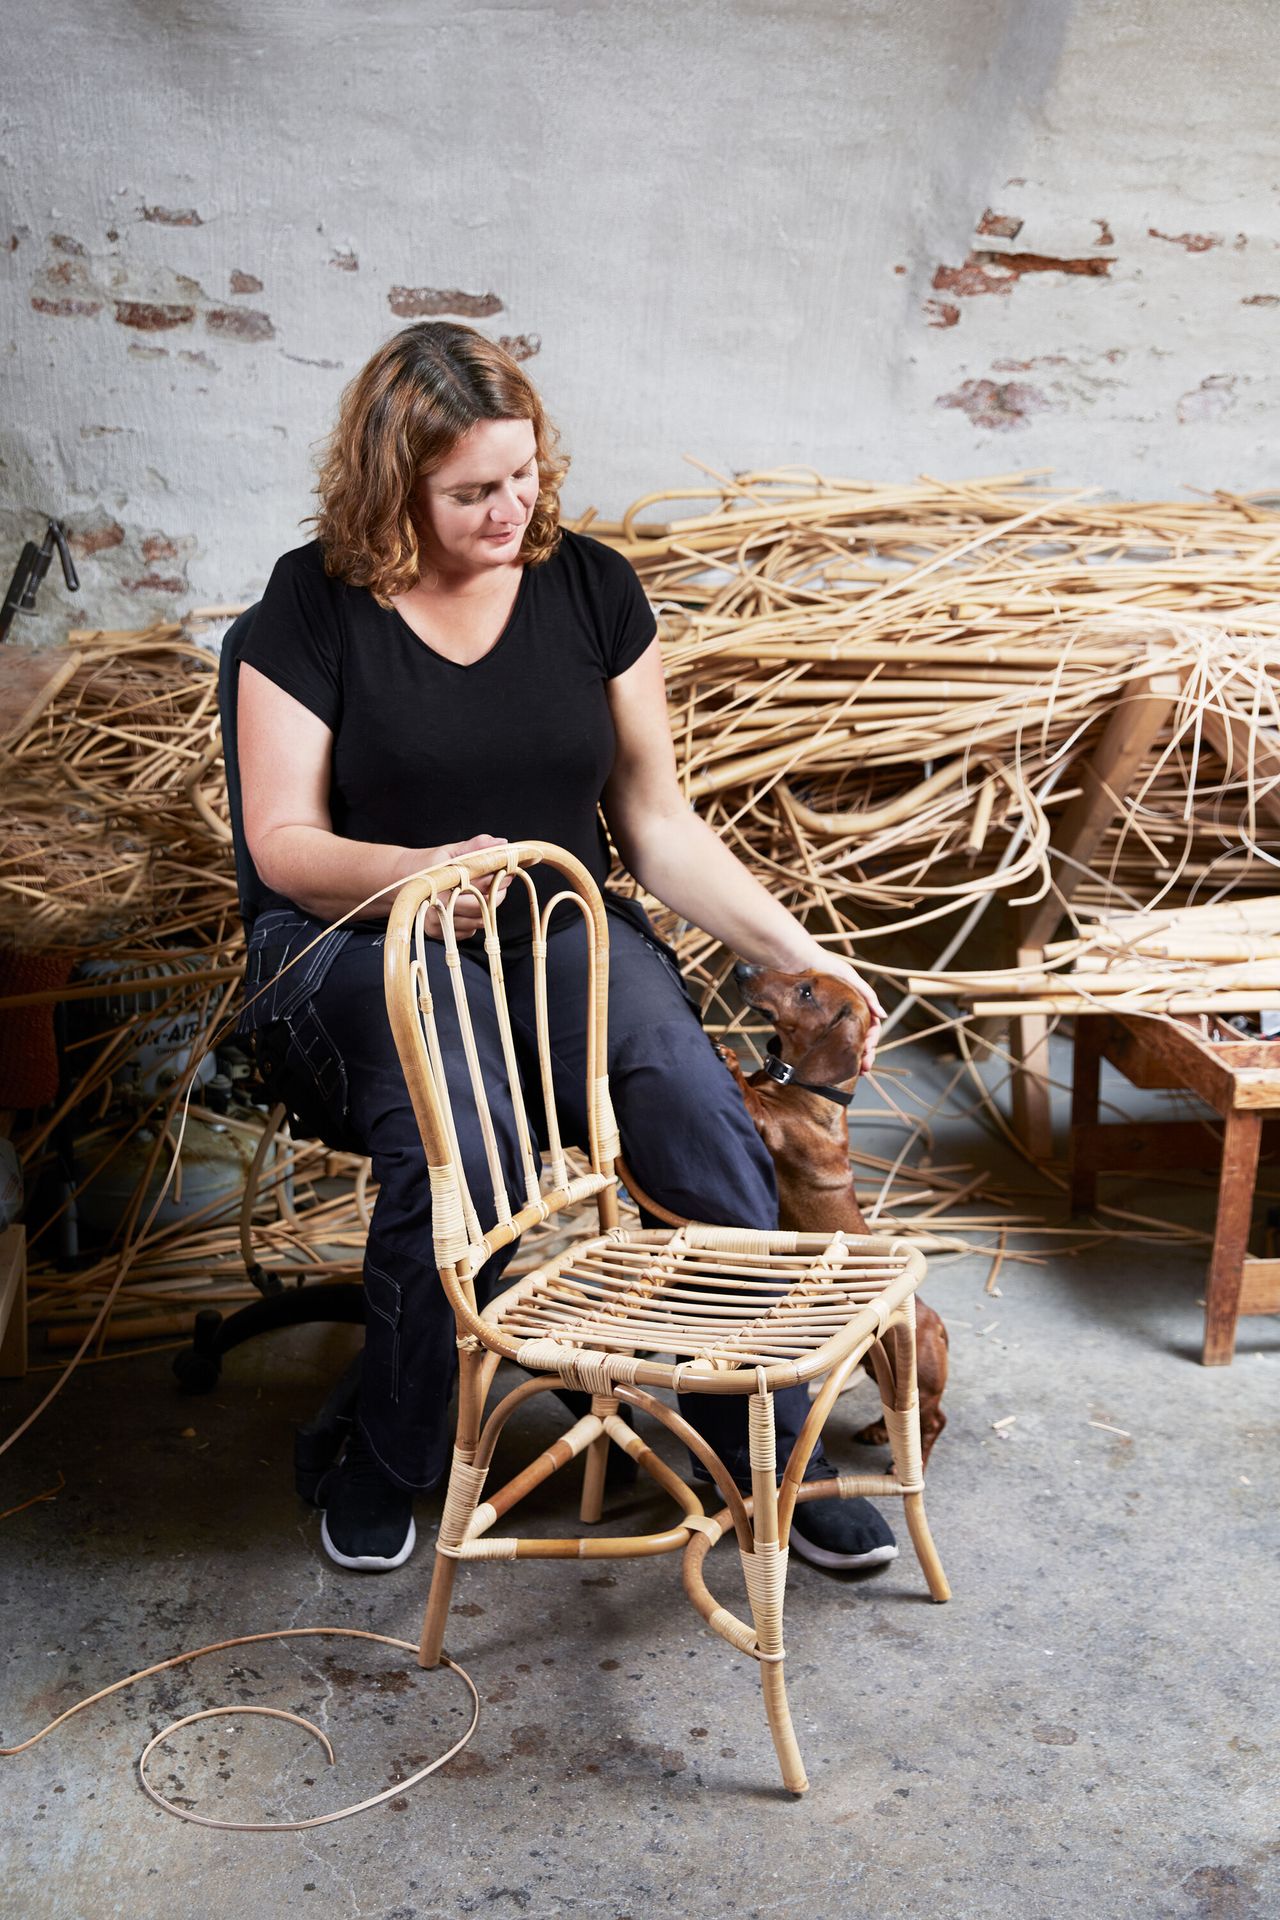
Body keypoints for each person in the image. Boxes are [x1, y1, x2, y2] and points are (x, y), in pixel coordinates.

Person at [236, 321, 894, 1575]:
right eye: (471, 492)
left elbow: (653, 823)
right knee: (459, 1141)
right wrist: (420, 876)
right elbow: (281, 842)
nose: (508, 510)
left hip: (551, 914)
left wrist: (800, 953)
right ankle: (397, 1450)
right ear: (393, 487)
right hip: (355, 931)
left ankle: (758, 1447)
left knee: (692, 1111)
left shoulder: (589, 588)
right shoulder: (310, 601)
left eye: (524, 477)